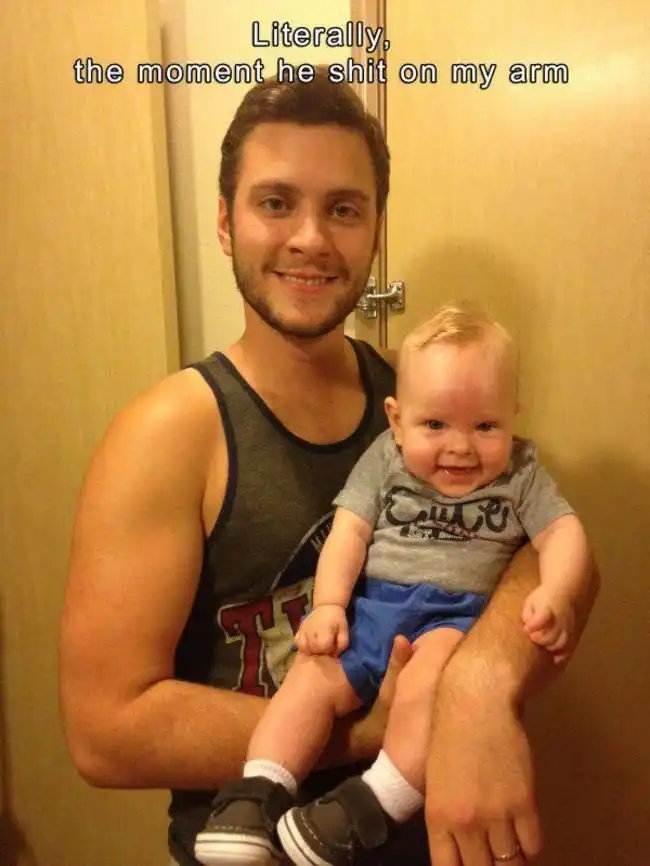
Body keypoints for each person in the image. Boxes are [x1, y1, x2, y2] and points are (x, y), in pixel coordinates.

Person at [59, 68, 599, 866]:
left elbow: (543, 551)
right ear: (225, 222)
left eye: (343, 208)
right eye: (276, 202)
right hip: (248, 846)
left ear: (375, 230)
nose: (311, 237)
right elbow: (106, 734)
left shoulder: (423, 404)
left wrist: (478, 686)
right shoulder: (168, 434)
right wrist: (392, 722)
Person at [193, 303, 594, 866]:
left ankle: (370, 806)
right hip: (374, 609)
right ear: (397, 420)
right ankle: (255, 794)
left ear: (513, 417)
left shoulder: (521, 472)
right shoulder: (386, 459)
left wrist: (556, 593)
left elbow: (563, 533)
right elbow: (349, 532)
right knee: (312, 676)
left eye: (485, 426)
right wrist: (329, 606)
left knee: (428, 687)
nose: (460, 446)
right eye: (435, 425)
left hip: (455, 619)